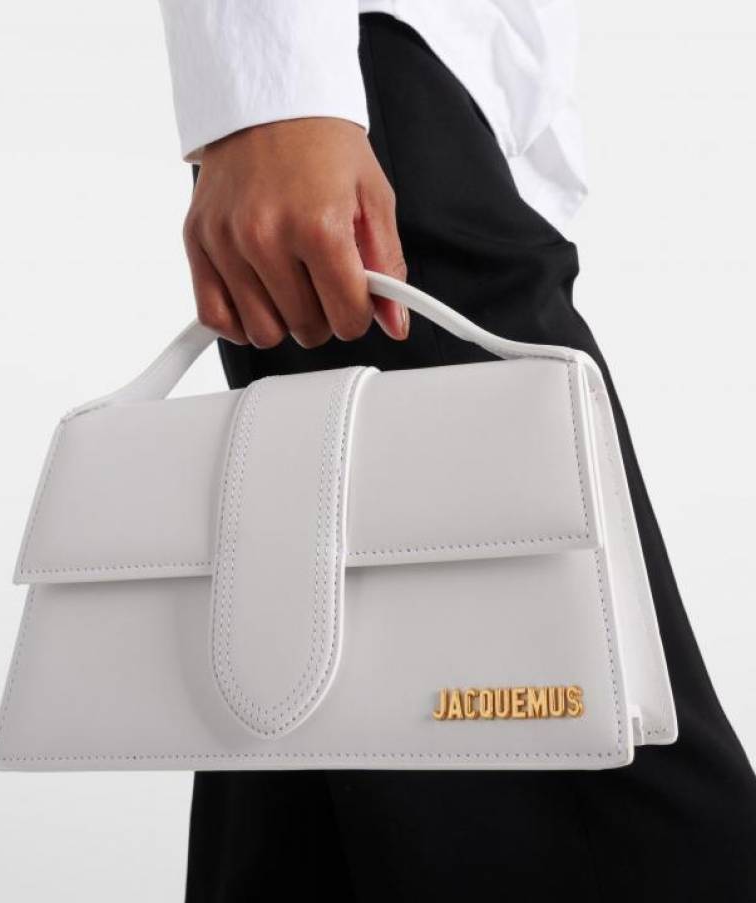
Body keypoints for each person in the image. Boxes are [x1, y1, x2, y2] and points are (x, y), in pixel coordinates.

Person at [156, 3, 756, 900]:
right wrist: (275, 91)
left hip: (428, 123)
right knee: (624, 803)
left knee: (312, 787)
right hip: (367, 128)